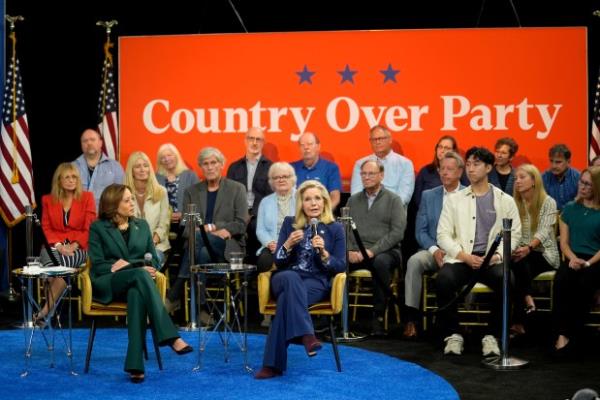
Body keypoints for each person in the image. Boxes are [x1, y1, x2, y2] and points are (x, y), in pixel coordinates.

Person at [88, 184, 192, 382]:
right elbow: (99, 265)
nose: (132, 203)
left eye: (132, 199)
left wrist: (133, 266)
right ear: (113, 204)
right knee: (141, 276)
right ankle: (170, 335)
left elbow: (153, 259)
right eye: (127, 200)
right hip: (109, 284)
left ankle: (135, 363)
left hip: (136, 284)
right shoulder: (98, 228)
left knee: (137, 289)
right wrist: (136, 266)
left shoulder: (142, 225)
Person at [254, 180, 346, 379]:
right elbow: (278, 261)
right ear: (301, 204)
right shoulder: (290, 223)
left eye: (318, 198)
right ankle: (307, 334)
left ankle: (272, 365)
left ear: (325, 202)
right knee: (290, 277)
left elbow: (341, 265)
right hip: (284, 278)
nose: (313, 203)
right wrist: (287, 244)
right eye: (307, 199)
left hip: (315, 282)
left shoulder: (335, 228)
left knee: (286, 303)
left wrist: (324, 254)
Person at [436, 147, 521, 357]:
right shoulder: (454, 200)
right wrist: (463, 256)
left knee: (506, 278)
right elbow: (443, 235)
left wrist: (497, 256)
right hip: (463, 259)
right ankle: (453, 334)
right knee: (443, 279)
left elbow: (515, 235)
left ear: (489, 167)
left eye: (476, 164)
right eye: (468, 164)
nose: (470, 169)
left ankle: (492, 335)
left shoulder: (505, 200)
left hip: (491, 260)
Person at [166, 147, 248, 315]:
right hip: (198, 246)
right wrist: (204, 232)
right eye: (205, 164)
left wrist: (212, 227)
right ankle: (201, 308)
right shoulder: (192, 192)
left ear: (221, 165)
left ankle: (175, 293)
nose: (210, 167)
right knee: (201, 251)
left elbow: (240, 223)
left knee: (198, 239)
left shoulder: (236, 189)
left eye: (213, 163)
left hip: (226, 246)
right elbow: (188, 228)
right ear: (200, 168)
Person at [403, 151, 464, 339]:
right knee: (414, 261)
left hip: (460, 253)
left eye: (449, 169)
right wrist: (435, 249)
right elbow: (420, 231)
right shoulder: (429, 195)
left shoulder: (470, 196)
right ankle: (411, 319)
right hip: (432, 249)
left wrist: (455, 252)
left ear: (460, 172)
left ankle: (460, 319)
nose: (444, 173)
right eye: (441, 169)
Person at [346, 160, 406, 336]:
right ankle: (337, 316)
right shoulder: (352, 200)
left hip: (385, 252)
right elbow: (345, 229)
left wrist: (371, 251)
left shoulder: (394, 200)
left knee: (380, 263)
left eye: (371, 173)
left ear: (381, 175)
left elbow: (397, 233)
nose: (366, 177)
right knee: (334, 261)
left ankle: (378, 317)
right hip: (356, 251)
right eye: (363, 174)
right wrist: (349, 251)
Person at [36, 163, 96, 325]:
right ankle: (49, 313)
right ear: (59, 181)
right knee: (56, 270)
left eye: (74, 177)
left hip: (79, 248)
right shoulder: (48, 200)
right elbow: (46, 227)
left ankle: (44, 311)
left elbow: (89, 227)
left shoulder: (87, 198)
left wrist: (74, 245)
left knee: (59, 269)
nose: (71, 180)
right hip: (53, 246)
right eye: (67, 177)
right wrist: (59, 246)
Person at [553, 166, 600, 356]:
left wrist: (587, 263)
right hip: (573, 256)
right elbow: (563, 242)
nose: (582, 186)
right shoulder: (570, 209)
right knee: (562, 280)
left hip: (596, 260)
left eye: (588, 184)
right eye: (581, 182)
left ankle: (576, 335)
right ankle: (561, 334)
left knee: (585, 283)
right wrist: (573, 259)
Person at [509, 164, 559, 337]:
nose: (518, 181)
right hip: (520, 253)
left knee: (519, 264)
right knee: (514, 265)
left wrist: (529, 247)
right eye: (516, 178)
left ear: (534, 180)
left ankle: (519, 318)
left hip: (543, 252)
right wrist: (517, 249)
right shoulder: (513, 202)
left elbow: (545, 231)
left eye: (522, 177)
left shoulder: (548, 202)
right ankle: (527, 301)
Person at [227, 127, 273, 263]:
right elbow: (228, 196)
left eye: (258, 139)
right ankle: (232, 273)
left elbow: (269, 197)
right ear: (245, 141)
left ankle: (251, 272)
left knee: (254, 227)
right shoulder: (234, 167)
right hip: (236, 214)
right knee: (230, 227)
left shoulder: (270, 167)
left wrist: (251, 214)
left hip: (259, 215)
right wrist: (241, 214)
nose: (254, 142)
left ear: (263, 143)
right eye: (251, 138)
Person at [350, 125, 415, 207]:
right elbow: (356, 195)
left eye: (381, 138)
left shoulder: (405, 164)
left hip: (394, 212)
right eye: (374, 139)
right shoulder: (360, 164)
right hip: (366, 212)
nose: (377, 142)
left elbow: (404, 197)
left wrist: (383, 211)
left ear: (390, 140)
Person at [125, 151, 171, 265]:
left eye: (145, 166)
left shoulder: (161, 192)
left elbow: (163, 225)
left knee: (148, 261)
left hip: (157, 246)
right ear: (131, 171)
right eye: (137, 166)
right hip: (131, 247)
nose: (142, 169)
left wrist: (152, 242)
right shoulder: (124, 194)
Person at [255, 162, 297, 273]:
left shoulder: (301, 198)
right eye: (276, 177)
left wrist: (289, 243)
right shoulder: (265, 202)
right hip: (272, 244)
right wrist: (270, 243)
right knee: (264, 261)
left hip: (296, 244)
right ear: (271, 181)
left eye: (285, 176)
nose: (281, 179)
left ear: (292, 179)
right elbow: (261, 230)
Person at [73, 128, 124, 210]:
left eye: (92, 140)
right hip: (78, 219)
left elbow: (122, 195)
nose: (89, 143)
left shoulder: (115, 167)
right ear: (81, 144)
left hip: (106, 219)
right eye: (85, 141)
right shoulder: (72, 167)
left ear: (100, 143)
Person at [291, 132, 342, 209]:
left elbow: (335, 197)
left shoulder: (331, 168)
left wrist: (322, 214)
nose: (306, 147)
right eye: (302, 145)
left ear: (318, 146)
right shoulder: (291, 168)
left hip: (322, 215)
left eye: (310, 144)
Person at [155, 143, 199, 225]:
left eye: (169, 155)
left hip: (187, 224)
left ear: (176, 156)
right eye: (163, 157)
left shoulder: (191, 175)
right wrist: (166, 216)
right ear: (160, 161)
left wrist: (184, 214)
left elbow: (198, 202)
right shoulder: (155, 178)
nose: (167, 159)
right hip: (162, 224)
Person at [412, 135, 462, 207]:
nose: (442, 150)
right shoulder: (426, 171)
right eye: (440, 147)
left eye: (447, 148)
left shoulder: (459, 172)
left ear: (454, 152)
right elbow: (416, 199)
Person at [542, 144, 580, 211]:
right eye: (551, 161)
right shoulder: (544, 177)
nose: (553, 166)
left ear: (568, 162)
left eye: (558, 162)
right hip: (550, 217)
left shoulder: (578, 177)